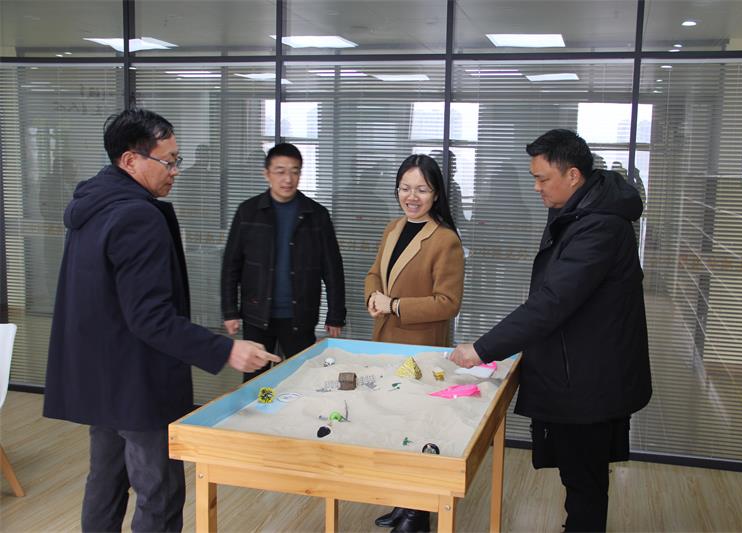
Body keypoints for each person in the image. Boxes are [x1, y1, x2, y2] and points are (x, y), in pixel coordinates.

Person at [42, 108, 279, 533]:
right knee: (160, 492)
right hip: (138, 381)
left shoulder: (92, 207)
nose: (176, 171)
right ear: (130, 160)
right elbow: (150, 317)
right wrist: (226, 349)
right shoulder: (136, 216)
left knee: (105, 482)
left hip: (101, 376)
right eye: (168, 161)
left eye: (177, 160)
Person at [450, 129, 652, 532]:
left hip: (590, 378)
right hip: (577, 367)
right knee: (578, 477)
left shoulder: (599, 227)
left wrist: (483, 348)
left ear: (573, 175)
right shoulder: (577, 210)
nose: (536, 187)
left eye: (542, 178)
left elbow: (552, 301)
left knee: (584, 482)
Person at [365, 154, 464, 533]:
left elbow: (448, 303)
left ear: (436, 193)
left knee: (418, 428)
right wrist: (373, 296)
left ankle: (417, 514)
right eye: (405, 188)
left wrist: (394, 305)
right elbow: (374, 274)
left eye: (421, 189)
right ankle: (402, 502)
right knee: (392, 425)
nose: (412, 196)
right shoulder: (393, 228)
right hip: (384, 344)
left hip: (420, 350)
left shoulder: (445, 240)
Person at [221, 143, 347, 381]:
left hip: (300, 315)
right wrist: (230, 311)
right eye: (280, 171)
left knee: (301, 378)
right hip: (257, 315)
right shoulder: (248, 212)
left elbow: (332, 268)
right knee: (256, 381)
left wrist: (335, 314)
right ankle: (258, 407)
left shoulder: (316, 215)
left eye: (294, 171)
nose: (288, 179)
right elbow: (231, 266)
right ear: (266, 174)